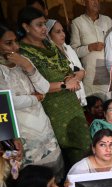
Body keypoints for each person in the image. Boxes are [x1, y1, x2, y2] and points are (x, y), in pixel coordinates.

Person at [18, 7, 91, 168]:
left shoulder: (49, 44)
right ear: (25, 27)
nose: (44, 28)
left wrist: (68, 77)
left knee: (83, 147)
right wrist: (64, 84)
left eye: (44, 24)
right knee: (62, 153)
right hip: (50, 108)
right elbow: (32, 87)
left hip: (71, 103)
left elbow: (66, 68)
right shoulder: (22, 53)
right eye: (39, 25)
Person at [0, 24, 63, 173]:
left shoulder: (23, 61)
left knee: (54, 176)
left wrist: (27, 65)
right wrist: (35, 98)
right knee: (31, 181)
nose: (15, 46)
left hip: (43, 127)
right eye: (8, 43)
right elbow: (7, 101)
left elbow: (44, 88)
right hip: (20, 133)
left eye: (15, 41)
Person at [70, 0, 112, 100]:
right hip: (89, 74)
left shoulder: (108, 21)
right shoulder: (77, 23)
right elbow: (72, 52)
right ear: (84, 2)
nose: (96, 2)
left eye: (98, 0)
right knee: (93, 108)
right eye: (92, 0)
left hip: (106, 73)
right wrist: (89, 48)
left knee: (108, 106)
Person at [46, 19, 87, 106]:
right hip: (63, 96)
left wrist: (77, 76)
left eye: (63, 31)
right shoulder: (49, 54)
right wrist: (74, 77)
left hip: (77, 91)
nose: (63, 34)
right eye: (58, 32)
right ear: (49, 35)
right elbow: (59, 77)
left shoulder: (68, 48)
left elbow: (82, 71)